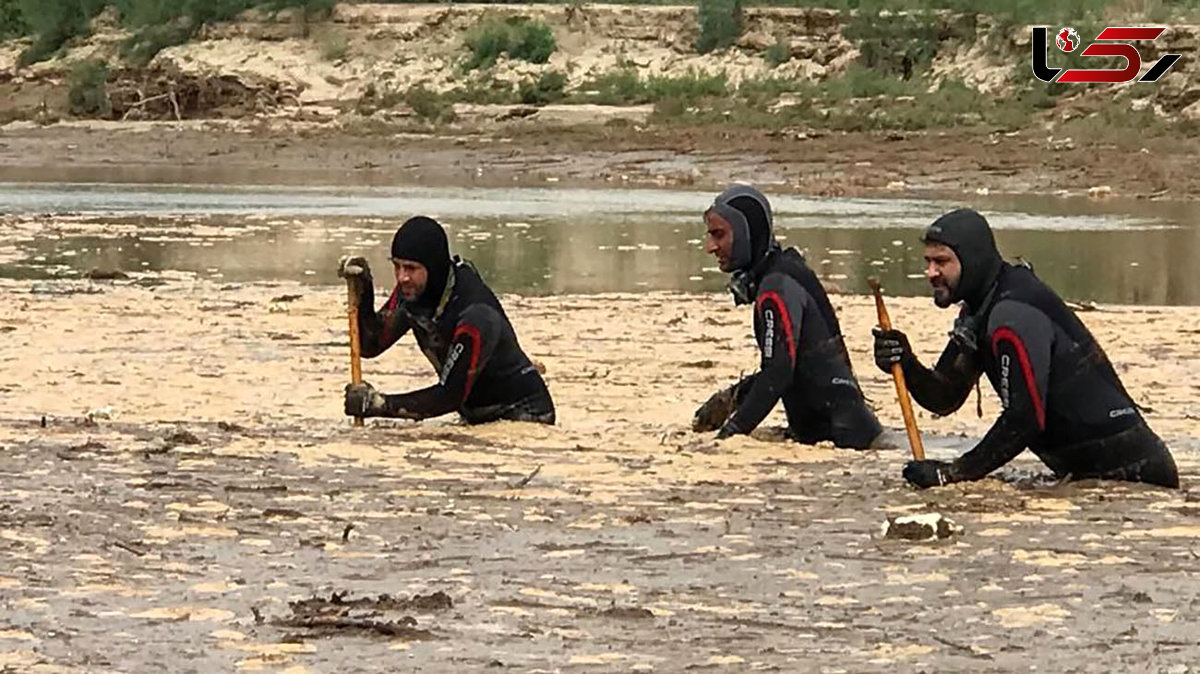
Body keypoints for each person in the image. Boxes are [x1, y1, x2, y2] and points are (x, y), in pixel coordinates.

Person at [873, 208, 1178, 489]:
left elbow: (1025, 420)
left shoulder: (1012, 314)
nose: (931, 273)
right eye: (928, 262)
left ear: (973, 259)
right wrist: (906, 363)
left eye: (941, 262)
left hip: (1133, 475)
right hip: (1088, 474)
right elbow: (945, 397)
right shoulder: (981, 308)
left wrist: (953, 473)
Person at [692, 185, 883, 449]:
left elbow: (778, 373)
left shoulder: (775, 288)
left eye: (719, 235)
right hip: (837, 430)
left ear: (748, 234)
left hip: (842, 437)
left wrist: (729, 435)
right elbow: (788, 365)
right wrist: (729, 400)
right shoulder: (785, 271)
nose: (710, 247)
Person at [338, 216, 555, 425]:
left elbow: (449, 395)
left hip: (524, 413)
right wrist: (363, 289)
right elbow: (370, 344)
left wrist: (378, 404)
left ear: (433, 268)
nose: (402, 277)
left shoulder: (475, 314)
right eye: (397, 266)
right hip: (476, 416)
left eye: (411, 268)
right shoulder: (412, 292)